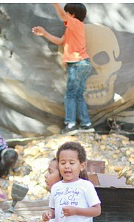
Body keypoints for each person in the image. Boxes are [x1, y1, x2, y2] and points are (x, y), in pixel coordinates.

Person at [32, 3, 94, 134]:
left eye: (67, 13)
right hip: (83, 63)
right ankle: (86, 124)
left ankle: (71, 124)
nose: (64, 15)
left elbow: (61, 15)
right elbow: (60, 42)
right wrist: (44, 33)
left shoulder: (76, 23)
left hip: (77, 63)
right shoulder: (72, 29)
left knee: (71, 95)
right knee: (78, 95)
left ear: (72, 15)